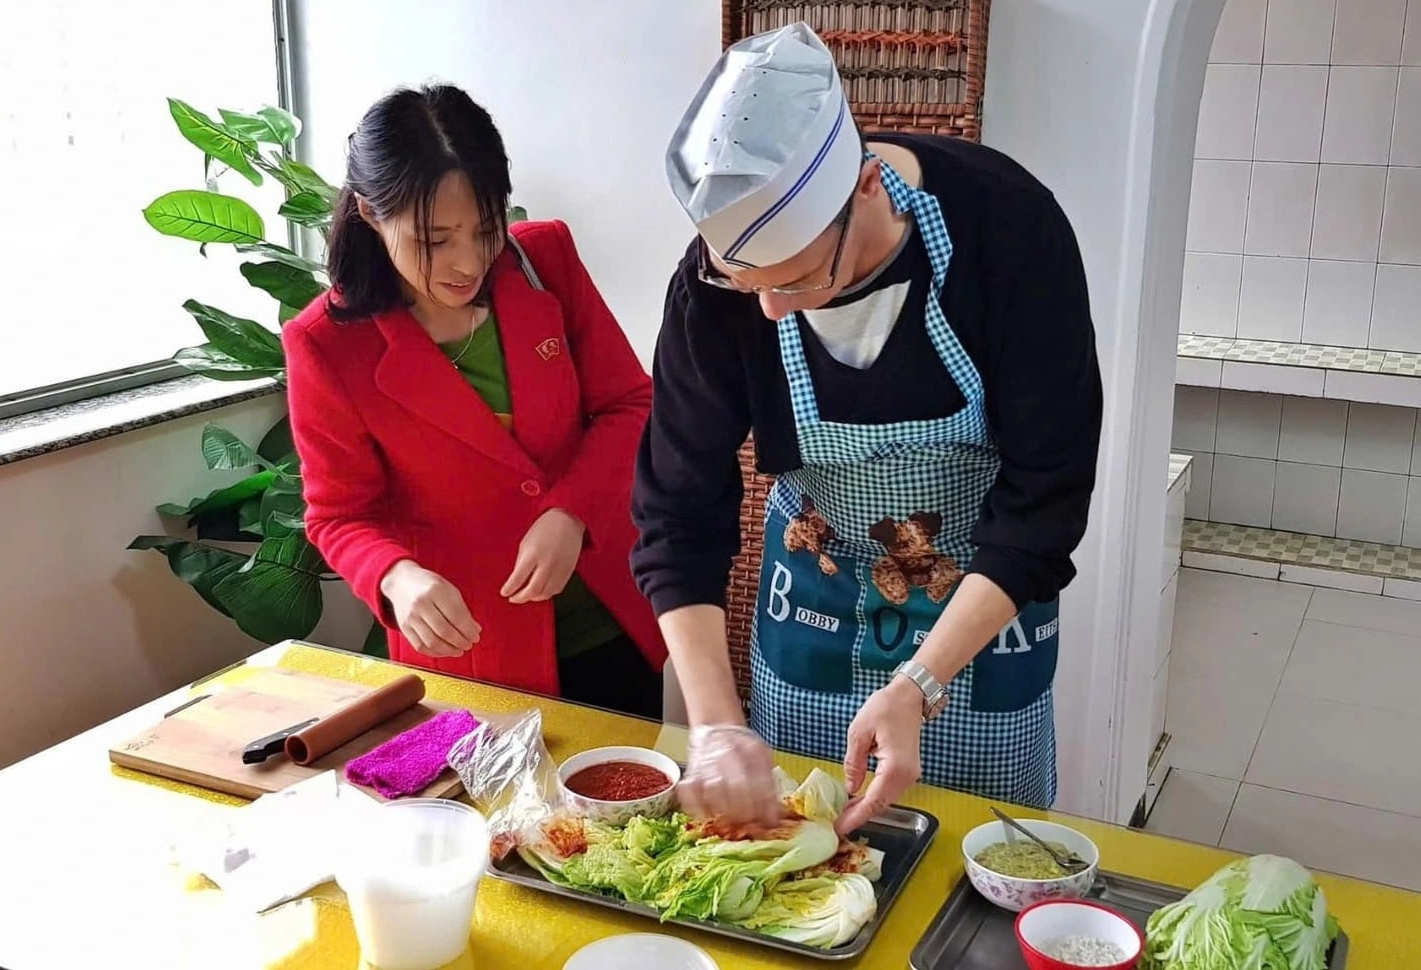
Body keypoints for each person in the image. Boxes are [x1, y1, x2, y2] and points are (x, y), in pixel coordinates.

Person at [631, 23, 1102, 831]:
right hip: (814, 606)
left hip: (981, 613)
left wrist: (920, 682)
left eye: (798, 280)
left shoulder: (1009, 230)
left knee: (973, 852)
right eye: (748, 285)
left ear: (869, 188)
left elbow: (1047, 500)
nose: (769, 310)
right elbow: (677, 512)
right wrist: (714, 724)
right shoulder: (714, 287)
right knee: (805, 854)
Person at [284, 83, 666, 718]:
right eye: (435, 241)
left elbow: (631, 404)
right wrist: (395, 577)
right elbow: (338, 514)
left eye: (486, 230)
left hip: (610, 620)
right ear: (371, 215)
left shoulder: (542, 261)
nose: (469, 263)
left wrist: (570, 512)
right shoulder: (328, 343)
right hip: (475, 646)